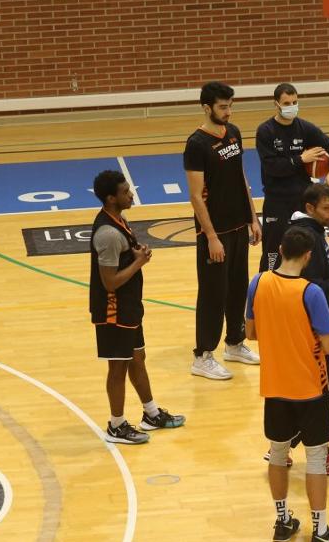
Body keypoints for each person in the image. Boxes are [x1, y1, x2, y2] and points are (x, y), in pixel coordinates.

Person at [247, 226, 329, 542]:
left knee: (279, 455)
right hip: (310, 387)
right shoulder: (312, 293)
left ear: (279, 249)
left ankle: (282, 521)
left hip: (275, 386)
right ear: (308, 256)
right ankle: (320, 532)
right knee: (316, 458)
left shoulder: (258, 282)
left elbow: (251, 333)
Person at [259, 184, 329, 475]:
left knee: (299, 390)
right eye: (327, 208)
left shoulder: (306, 232)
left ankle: (283, 445)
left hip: (299, 331)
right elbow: (310, 287)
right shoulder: (308, 239)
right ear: (310, 209)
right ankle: (322, 452)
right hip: (317, 330)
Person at [90, 170, 186, 444]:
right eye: (125, 192)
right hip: (113, 310)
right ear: (111, 198)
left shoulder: (118, 220)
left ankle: (151, 413)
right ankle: (116, 425)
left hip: (129, 306)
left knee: (137, 358)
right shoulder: (107, 233)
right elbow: (109, 282)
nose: (131, 194)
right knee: (118, 366)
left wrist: (134, 253)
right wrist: (138, 263)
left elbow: (121, 258)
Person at [185, 81, 262, 381]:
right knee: (213, 294)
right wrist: (212, 236)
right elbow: (195, 195)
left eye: (230, 106)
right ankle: (202, 356)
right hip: (213, 234)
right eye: (222, 107)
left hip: (238, 226)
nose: (228, 112)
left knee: (237, 288)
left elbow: (241, 177)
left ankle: (234, 343)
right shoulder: (196, 144)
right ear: (207, 108)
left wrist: (253, 218)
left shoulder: (234, 133)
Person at [255, 82, 329, 272]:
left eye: (294, 102)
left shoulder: (305, 128)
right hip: (277, 202)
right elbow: (272, 167)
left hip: (303, 202)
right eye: (286, 103)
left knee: (309, 249)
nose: (291, 107)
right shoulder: (266, 131)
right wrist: (300, 159)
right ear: (276, 104)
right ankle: (266, 288)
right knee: (272, 253)